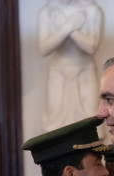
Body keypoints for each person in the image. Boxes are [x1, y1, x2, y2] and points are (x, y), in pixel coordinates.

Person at [38, 0, 102, 131]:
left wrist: (68, 28)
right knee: (54, 126)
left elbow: (91, 47)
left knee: (90, 123)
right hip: (58, 72)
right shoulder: (47, 12)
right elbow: (44, 48)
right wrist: (69, 27)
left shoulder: (91, 10)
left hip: (85, 71)